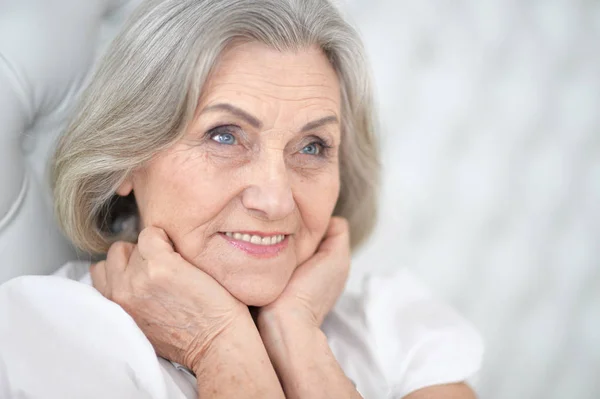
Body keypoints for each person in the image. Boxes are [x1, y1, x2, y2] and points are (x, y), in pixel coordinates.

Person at [0, 0, 483, 398]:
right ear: (128, 157)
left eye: (312, 146)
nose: (276, 200)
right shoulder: (48, 336)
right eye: (224, 136)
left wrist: (298, 339)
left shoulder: (388, 320)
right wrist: (217, 344)